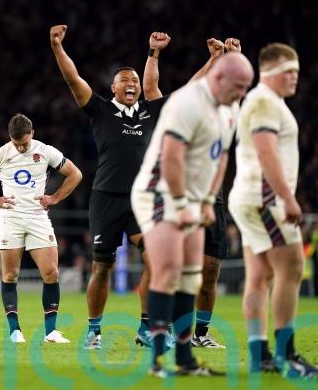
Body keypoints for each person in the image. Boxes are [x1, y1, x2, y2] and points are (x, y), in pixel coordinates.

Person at [51, 25, 175, 349]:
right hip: (106, 198)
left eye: (135, 81)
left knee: (156, 260)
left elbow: (162, 86)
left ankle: (147, 328)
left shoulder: (150, 110)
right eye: (125, 80)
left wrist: (155, 53)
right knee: (102, 267)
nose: (132, 83)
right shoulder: (101, 109)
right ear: (113, 88)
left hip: (141, 200)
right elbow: (73, 80)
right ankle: (94, 330)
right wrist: (57, 47)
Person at [131, 52, 253, 377]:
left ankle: (185, 360)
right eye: (238, 86)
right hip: (160, 192)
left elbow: (221, 157)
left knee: (190, 276)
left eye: (246, 88)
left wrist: (207, 200)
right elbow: (171, 158)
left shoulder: (229, 108)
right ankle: (158, 361)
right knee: (168, 270)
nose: (242, 94)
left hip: (194, 197)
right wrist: (183, 204)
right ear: (219, 78)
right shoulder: (187, 103)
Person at [228, 43, 318, 378]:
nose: (295, 77)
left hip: (250, 196)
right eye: (288, 71)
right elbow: (266, 151)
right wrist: (287, 197)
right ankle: (285, 356)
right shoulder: (266, 101)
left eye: (296, 71)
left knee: (260, 276)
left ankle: (259, 355)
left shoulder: (262, 99)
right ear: (269, 72)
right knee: (292, 267)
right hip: (264, 199)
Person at [0, 113, 82, 343]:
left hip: (38, 217)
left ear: (32, 134)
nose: (20, 148)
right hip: (11, 219)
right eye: (16, 143)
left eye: (24, 143)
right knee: (10, 275)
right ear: (10, 137)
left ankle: (51, 332)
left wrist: (55, 197)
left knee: (51, 272)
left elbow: (75, 174)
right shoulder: (1, 153)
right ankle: (14, 331)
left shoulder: (45, 151)